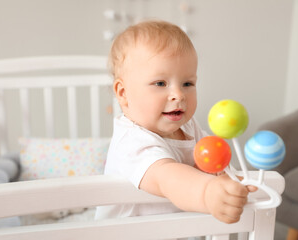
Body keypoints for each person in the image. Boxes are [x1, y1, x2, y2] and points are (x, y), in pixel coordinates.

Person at [95, 20, 255, 224]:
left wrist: (226, 180)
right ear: (123, 93)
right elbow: (168, 178)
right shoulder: (131, 141)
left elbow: (210, 161)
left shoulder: (187, 126)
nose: (178, 95)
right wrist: (208, 192)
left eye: (187, 83)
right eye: (160, 83)